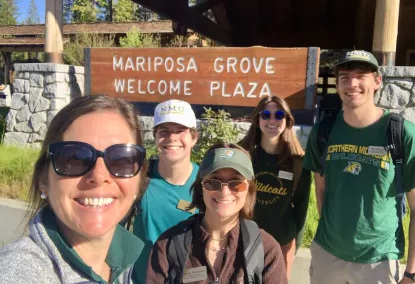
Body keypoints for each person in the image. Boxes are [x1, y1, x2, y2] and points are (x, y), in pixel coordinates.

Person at [0, 95, 147, 283]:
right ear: (44, 179)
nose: (99, 176)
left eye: (121, 159)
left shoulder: (128, 266)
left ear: (139, 179)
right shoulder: (19, 271)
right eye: (74, 158)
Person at [303, 50, 415, 284]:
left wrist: (411, 272)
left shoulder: (402, 133)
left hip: (378, 259)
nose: (352, 83)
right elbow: (321, 188)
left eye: (360, 75)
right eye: (344, 76)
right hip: (327, 254)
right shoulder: (323, 131)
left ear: (377, 81)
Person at [146, 142, 288, 283]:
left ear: (249, 190)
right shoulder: (168, 246)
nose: (224, 192)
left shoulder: (267, 250)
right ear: (200, 187)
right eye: (213, 182)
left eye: (236, 183)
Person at [239, 95, 311, 278]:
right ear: (257, 119)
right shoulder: (242, 155)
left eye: (279, 115)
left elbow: (301, 206)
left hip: (282, 242)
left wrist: (297, 241)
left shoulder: (297, 162)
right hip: (244, 239)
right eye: (266, 115)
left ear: (287, 121)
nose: (272, 120)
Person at [132, 99, 199, 284]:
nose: (172, 138)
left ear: (194, 138)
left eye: (180, 131)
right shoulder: (138, 179)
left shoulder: (208, 184)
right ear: (155, 137)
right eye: (164, 131)